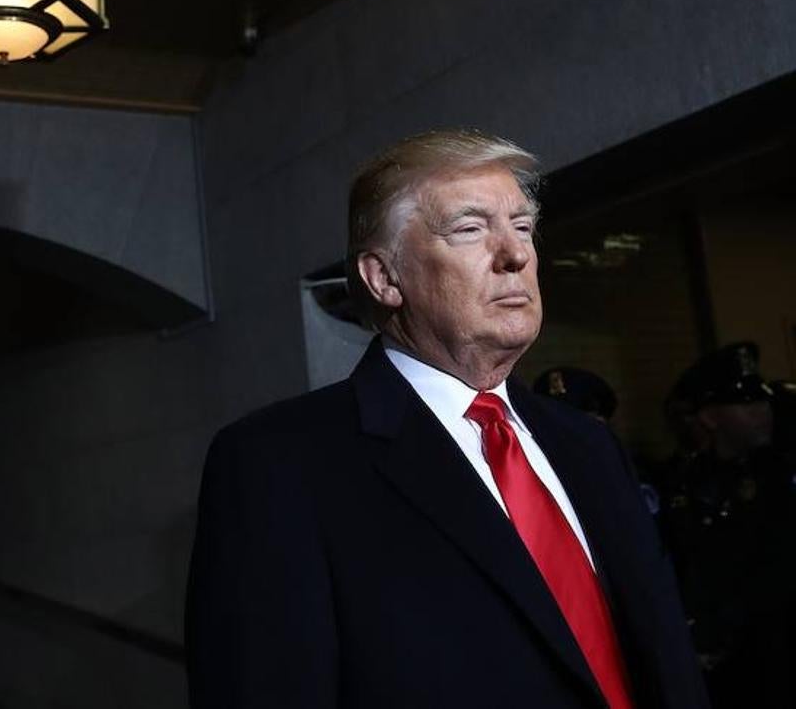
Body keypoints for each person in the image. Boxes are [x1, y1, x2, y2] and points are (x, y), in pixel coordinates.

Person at [185, 130, 708, 709]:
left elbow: (664, 659)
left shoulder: (588, 445)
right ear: (384, 278)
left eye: (522, 226)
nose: (515, 255)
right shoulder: (279, 465)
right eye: (469, 229)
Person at [657, 343, 796, 707]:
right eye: (746, 405)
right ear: (710, 417)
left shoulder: (781, 476)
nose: (762, 412)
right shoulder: (679, 482)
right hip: (716, 671)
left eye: (762, 402)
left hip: (776, 653)